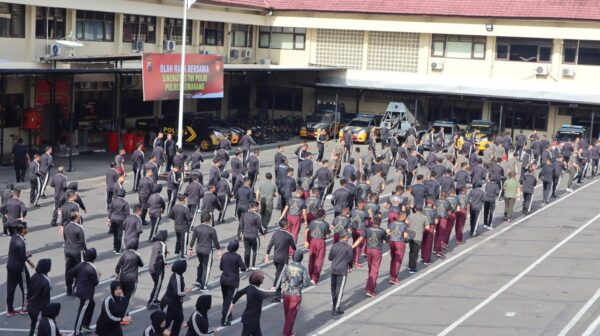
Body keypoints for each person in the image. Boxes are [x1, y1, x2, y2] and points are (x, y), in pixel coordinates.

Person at [230, 271, 275, 336]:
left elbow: (239, 293)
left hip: (251, 319)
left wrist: (233, 302)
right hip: (251, 320)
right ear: (259, 282)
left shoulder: (249, 287)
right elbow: (271, 293)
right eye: (262, 278)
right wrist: (274, 290)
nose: (263, 279)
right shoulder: (258, 292)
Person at [278, 249, 311, 336]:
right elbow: (306, 284)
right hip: (296, 294)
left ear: (293, 257)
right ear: (301, 258)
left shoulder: (287, 266)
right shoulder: (303, 269)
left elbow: (283, 279)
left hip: (286, 292)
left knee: (287, 314)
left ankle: (289, 330)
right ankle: (286, 333)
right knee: (291, 316)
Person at [353, 218, 389, 296]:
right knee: (374, 269)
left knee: (370, 268)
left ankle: (370, 284)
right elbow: (388, 241)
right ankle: (370, 289)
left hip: (369, 250)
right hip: (377, 250)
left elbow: (360, 239)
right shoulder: (382, 231)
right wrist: (389, 234)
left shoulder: (367, 229)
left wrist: (352, 246)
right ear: (380, 223)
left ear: (373, 222)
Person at [68, 248, 99, 336]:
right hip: (86, 293)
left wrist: (78, 278)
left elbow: (71, 273)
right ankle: (77, 331)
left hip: (79, 289)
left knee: (91, 304)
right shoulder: (93, 268)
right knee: (82, 311)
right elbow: (95, 282)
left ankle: (85, 325)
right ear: (94, 257)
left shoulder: (81, 265)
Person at [6, 223, 34, 317]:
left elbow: (13, 252)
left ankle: (10, 310)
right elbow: (22, 257)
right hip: (19, 268)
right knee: (26, 288)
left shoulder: (13, 237)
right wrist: (28, 255)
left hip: (10, 265)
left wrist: (29, 261)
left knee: (11, 289)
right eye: (27, 228)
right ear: (23, 230)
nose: (28, 229)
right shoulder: (22, 242)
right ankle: (24, 309)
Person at [265, 219, 296, 301]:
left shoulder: (275, 233)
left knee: (279, 274)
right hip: (283, 259)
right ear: (285, 226)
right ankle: (275, 293)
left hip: (275, 258)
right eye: (288, 224)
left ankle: (278, 292)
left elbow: (270, 245)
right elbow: (294, 247)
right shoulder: (289, 235)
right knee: (279, 276)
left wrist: (267, 255)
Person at [189, 213, 221, 290]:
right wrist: (218, 250)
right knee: (207, 267)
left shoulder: (197, 228)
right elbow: (215, 241)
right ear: (210, 220)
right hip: (207, 251)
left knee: (201, 264)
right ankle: (204, 285)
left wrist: (190, 248)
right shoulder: (212, 229)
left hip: (199, 250)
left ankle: (198, 280)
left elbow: (193, 239)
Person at [160, 260, 192, 336]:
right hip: (169, 303)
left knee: (179, 319)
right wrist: (187, 291)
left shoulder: (177, 275)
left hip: (176, 303)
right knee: (166, 323)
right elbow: (177, 293)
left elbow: (178, 291)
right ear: (181, 269)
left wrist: (181, 295)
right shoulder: (177, 278)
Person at [115, 239, 143, 322]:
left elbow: (118, 265)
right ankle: (124, 316)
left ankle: (120, 312)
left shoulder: (124, 254)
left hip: (123, 278)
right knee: (129, 299)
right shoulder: (137, 255)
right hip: (132, 279)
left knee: (123, 297)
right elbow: (142, 264)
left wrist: (117, 273)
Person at [220, 240, 246, 326]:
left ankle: (229, 314)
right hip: (233, 281)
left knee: (225, 299)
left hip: (223, 279)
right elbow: (243, 268)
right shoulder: (237, 257)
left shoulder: (224, 255)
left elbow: (221, 267)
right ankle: (224, 319)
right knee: (230, 300)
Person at [328, 230, 353, 314]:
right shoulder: (348, 247)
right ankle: (336, 307)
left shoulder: (334, 246)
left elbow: (330, 257)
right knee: (340, 289)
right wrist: (350, 267)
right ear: (345, 237)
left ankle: (333, 305)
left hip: (333, 269)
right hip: (342, 270)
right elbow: (350, 260)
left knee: (333, 288)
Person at [63, 212, 86, 296]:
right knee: (78, 270)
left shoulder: (66, 226)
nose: (80, 216)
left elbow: (65, 238)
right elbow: (82, 242)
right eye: (79, 215)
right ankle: (76, 288)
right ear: (76, 218)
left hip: (67, 250)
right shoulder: (79, 228)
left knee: (68, 270)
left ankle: (69, 289)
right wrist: (85, 251)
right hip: (76, 251)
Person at [305, 208, 330, 284]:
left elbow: (306, 230)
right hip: (320, 242)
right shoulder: (325, 224)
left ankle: (311, 274)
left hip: (312, 241)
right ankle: (314, 278)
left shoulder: (312, 222)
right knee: (319, 260)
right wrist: (326, 237)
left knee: (311, 259)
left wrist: (306, 241)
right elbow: (327, 235)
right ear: (323, 215)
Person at [27, 258, 51, 336]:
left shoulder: (34, 276)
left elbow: (29, 291)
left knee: (33, 326)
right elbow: (46, 300)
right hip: (39, 309)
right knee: (37, 330)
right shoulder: (46, 281)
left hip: (31, 306)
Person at [147, 230, 168, 310]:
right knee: (158, 285)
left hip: (151, 266)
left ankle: (154, 299)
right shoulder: (162, 244)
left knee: (156, 284)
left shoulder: (155, 243)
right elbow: (162, 255)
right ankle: (152, 303)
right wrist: (165, 263)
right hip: (158, 267)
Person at [241, 201, 266, 270]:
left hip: (246, 234)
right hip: (254, 236)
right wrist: (263, 234)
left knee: (247, 251)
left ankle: (246, 266)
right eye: (258, 207)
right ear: (255, 207)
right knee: (255, 250)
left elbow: (242, 225)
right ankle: (254, 266)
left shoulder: (245, 214)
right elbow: (259, 227)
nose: (258, 208)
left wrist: (242, 234)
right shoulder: (257, 216)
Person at [388, 214, 409, 284]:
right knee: (398, 260)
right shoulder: (405, 225)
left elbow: (387, 231)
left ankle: (391, 273)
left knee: (393, 258)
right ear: (404, 217)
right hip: (400, 242)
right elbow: (405, 235)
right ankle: (393, 277)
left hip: (392, 241)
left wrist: (392, 235)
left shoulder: (392, 223)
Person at [169, 195, 193, 259]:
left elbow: (170, 215)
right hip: (184, 227)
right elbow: (189, 218)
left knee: (178, 240)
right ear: (184, 200)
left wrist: (176, 219)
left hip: (176, 226)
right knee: (184, 241)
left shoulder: (174, 207)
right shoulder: (185, 208)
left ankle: (176, 251)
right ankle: (183, 254)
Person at [406, 206, 428, 274]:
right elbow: (427, 227)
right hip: (418, 237)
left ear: (415, 209)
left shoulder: (410, 216)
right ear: (421, 210)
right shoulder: (424, 217)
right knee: (415, 253)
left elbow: (406, 223)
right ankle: (413, 268)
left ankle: (409, 266)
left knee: (411, 252)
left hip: (411, 236)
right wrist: (422, 229)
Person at [108, 189, 130, 254]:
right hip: (121, 220)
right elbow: (127, 214)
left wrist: (109, 219)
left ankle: (115, 248)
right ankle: (118, 249)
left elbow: (110, 211)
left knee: (115, 234)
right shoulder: (125, 202)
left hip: (113, 219)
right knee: (120, 235)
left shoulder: (113, 201)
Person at [350, 199, 369, 268]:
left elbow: (349, 216)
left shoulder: (353, 211)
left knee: (354, 244)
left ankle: (352, 259)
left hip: (354, 229)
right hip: (360, 230)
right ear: (361, 204)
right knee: (359, 246)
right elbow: (370, 219)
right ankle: (356, 261)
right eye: (364, 203)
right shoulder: (364, 213)